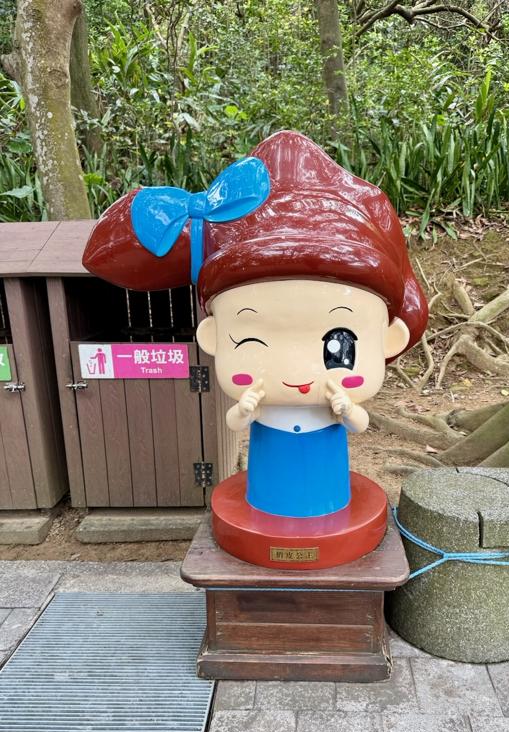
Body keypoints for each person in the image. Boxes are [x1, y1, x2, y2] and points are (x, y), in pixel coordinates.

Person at [83, 130, 428, 520]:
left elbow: (359, 425)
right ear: (212, 336)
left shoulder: (333, 398)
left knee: (325, 495)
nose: (297, 370)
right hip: (268, 479)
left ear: (388, 339)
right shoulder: (262, 399)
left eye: (339, 344)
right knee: (268, 496)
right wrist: (244, 410)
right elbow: (235, 423)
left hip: (328, 478)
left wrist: (347, 409)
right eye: (250, 341)